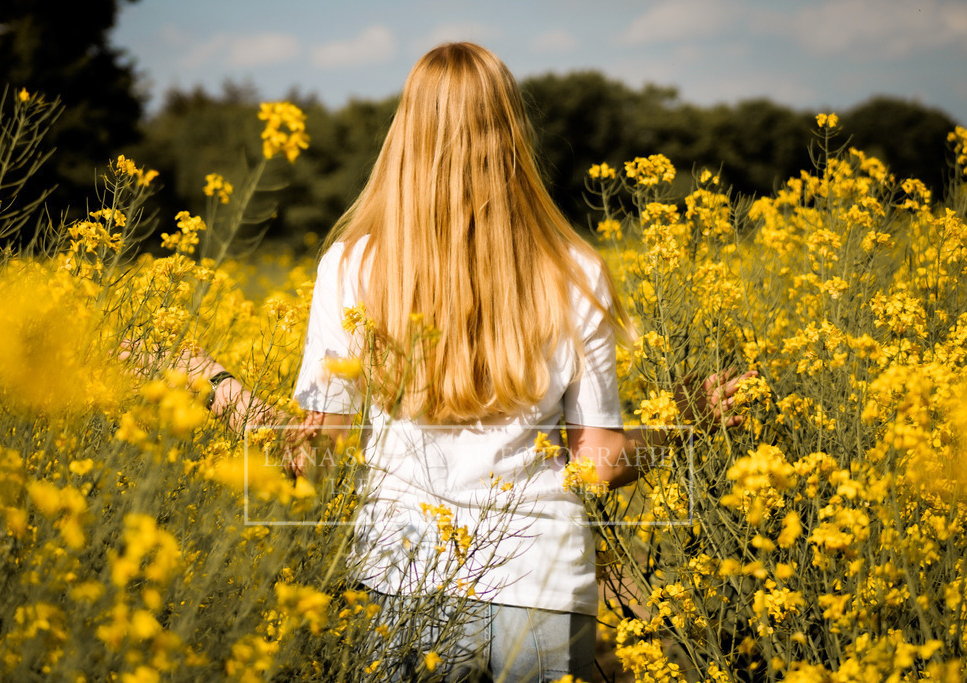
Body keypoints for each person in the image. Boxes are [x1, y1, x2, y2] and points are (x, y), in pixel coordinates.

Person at [158, 42, 752, 682]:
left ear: (404, 135)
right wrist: (682, 420)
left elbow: (311, 458)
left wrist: (211, 384)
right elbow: (598, 466)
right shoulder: (575, 270)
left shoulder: (352, 267)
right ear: (512, 136)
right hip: (544, 580)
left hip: (400, 579)